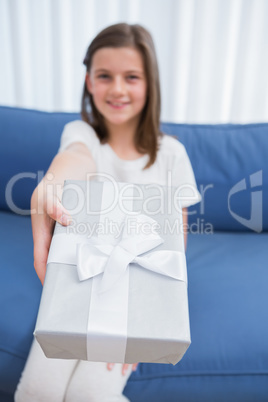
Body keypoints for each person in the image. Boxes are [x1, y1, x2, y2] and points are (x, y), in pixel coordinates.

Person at [15, 23, 201, 401]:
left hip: (135, 296)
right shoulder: (82, 136)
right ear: (88, 81)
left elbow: (175, 244)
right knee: (37, 391)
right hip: (79, 285)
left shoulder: (171, 154)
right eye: (104, 76)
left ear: (150, 83)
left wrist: (149, 318)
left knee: (91, 394)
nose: (117, 89)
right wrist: (51, 184)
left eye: (131, 77)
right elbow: (73, 160)